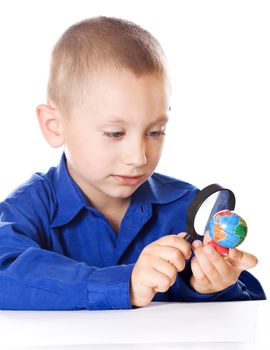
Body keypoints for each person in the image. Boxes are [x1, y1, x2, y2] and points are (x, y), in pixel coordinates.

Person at [0, 17, 265, 310]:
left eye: (155, 132)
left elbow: (249, 311)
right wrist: (123, 284)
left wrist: (211, 288)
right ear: (54, 126)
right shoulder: (29, 207)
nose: (139, 157)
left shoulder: (187, 207)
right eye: (115, 133)